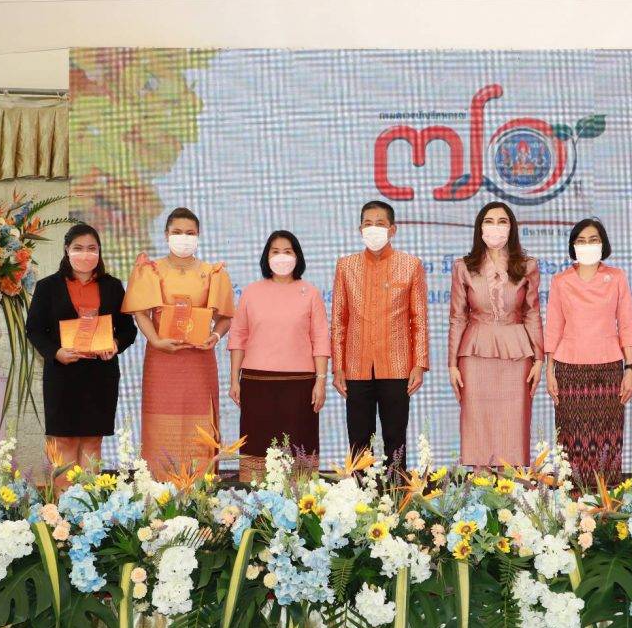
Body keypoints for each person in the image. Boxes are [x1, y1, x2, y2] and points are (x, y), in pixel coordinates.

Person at [121, 207, 234, 479]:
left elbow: (225, 318)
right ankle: (159, 488)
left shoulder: (212, 272)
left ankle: (200, 488)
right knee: (160, 420)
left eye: (190, 233)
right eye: (177, 232)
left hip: (199, 360)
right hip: (162, 358)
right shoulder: (151, 269)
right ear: (166, 235)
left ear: (199, 236)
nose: (184, 238)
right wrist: (156, 340)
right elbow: (140, 312)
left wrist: (215, 336)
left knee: (200, 423)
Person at [26, 223, 137, 485]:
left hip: (100, 375)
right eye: (78, 248)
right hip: (62, 374)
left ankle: (89, 504)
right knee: (63, 441)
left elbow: (128, 330)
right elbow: (34, 329)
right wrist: (56, 352)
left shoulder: (112, 286)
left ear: (99, 251)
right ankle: (63, 506)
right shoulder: (47, 287)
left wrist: (115, 344)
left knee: (92, 441)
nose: (85, 254)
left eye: (91, 248)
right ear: (67, 250)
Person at [331, 200, 428, 472]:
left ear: (392, 229)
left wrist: (419, 364)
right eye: (368, 224)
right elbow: (338, 321)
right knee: (358, 440)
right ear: (360, 229)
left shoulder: (410, 265)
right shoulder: (346, 266)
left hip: (397, 365)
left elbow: (419, 320)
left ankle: (396, 493)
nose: (373, 229)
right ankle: (361, 495)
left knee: (395, 439)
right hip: (356, 365)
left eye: (380, 224)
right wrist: (338, 367)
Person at [448, 202, 543, 468]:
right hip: (474, 354)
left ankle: (511, 490)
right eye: (489, 221)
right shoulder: (463, 266)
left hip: (517, 354)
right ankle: (481, 485)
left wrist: (539, 359)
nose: (496, 227)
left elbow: (532, 313)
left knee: (514, 423)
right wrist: (452, 364)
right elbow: (457, 317)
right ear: (480, 228)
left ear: (512, 228)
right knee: (477, 423)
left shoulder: (527, 266)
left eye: (502, 221)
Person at [229, 231, 329, 481]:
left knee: (299, 449)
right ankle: (254, 501)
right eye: (275, 252)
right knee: (257, 448)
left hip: (300, 385)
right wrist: (234, 380)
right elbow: (238, 336)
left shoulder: (310, 292)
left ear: (297, 256)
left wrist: (320, 381)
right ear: (266, 257)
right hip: (257, 383)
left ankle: (301, 501)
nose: (281, 257)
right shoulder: (251, 292)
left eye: (287, 251)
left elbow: (320, 338)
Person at [545, 219, 632, 483]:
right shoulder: (561, 281)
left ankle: (606, 499)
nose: (587, 245)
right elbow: (553, 327)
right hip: (569, 369)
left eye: (593, 240)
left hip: (609, 369)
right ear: (573, 246)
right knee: (571, 437)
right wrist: (549, 371)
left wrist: (630, 369)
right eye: (581, 241)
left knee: (608, 438)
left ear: (603, 243)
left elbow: (627, 324)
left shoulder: (616, 277)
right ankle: (572, 498)